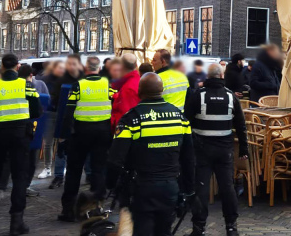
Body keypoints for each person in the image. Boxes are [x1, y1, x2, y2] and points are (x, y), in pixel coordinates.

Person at [106, 72, 195, 236]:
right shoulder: (180, 118)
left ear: (139, 92)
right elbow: (189, 158)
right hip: (170, 187)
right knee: (164, 231)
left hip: (142, 188)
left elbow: (115, 159)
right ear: (162, 90)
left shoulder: (131, 119)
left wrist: (111, 186)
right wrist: (188, 190)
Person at [0, 54, 42, 235]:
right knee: (20, 176)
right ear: (17, 66)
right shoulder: (26, 85)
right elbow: (37, 111)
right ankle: (16, 222)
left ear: (3, 67)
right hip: (20, 134)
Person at [184, 64, 248, 236]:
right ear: (221, 76)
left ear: (208, 76)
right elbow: (241, 125)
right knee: (227, 188)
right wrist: (243, 148)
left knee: (202, 188)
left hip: (202, 149)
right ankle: (231, 227)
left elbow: (186, 121)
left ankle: (199, 228)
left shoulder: (198, 96)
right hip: (224, 150)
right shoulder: (231, 96)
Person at [58, 56, 116, 222]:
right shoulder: (107, 85)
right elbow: (114, 103)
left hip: (81, 133)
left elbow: (68, 112)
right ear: (98, 68)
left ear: (85, 68)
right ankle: (96, 207)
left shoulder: (78, 86)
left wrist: (63, 136)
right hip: (103, 133)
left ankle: (68, 210)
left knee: (74, 171)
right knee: (98, 170)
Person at [51, 55, 84, 190]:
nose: (71, 66)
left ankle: (87, 174)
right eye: (69, 64)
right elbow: (54, 98)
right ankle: (58, 176)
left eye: (73, 64)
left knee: (82, 150)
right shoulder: (61, 80)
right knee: (61, 148)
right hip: (64, 119)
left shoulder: (84, 80)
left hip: (81, 120)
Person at [19, 64, 51, 197]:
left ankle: (24, 185)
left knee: (31, 157)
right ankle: (22, 186)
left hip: (31, 125)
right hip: (28, 125)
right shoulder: (25, 86)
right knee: (27, 157)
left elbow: (47, 100)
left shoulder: (40, 84)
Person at [38, 61, 65, 180]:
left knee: (62, 141)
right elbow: (43, 95)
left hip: (62, 113)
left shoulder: (66, 80)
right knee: (47, 142)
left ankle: (62, 167)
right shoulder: (45, 80)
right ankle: (47, 168)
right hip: (49, 112)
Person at [110, 54, 141, 131]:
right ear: (136, 65)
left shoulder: (128, 88)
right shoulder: (137, 81)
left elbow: (125, 116)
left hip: (124, 133)